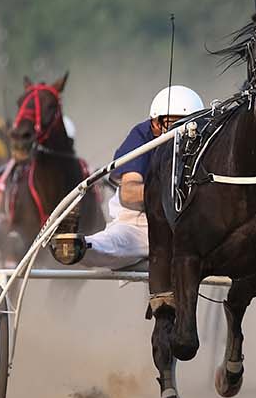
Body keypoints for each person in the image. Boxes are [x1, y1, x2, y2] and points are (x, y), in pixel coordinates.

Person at [50, 85, 204, 269]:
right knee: (112, 244)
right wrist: (180, 192)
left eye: (190, 124)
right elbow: (129, 194)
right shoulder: (142, 136)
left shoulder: (210, 141)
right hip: (141, 224)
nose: (182, 132)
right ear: (156, 124)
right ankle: (73, 246)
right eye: (174, 124)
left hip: (194, 226)